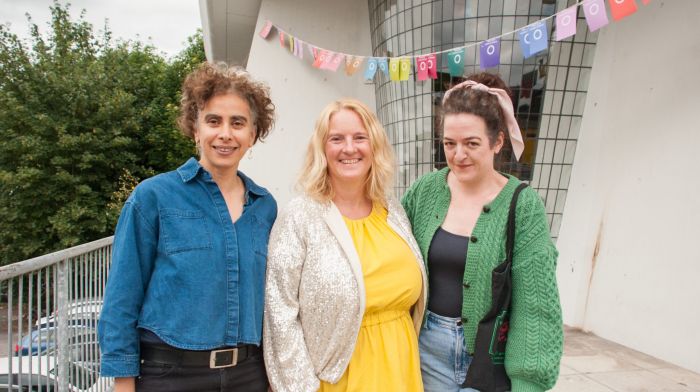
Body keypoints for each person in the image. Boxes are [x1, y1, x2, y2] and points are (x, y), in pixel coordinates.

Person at [97, 62, 277, 392]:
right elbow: (122, 298)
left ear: (253, 134)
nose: (225, 133)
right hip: (171, 376)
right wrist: (123, 382)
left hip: (249, 376)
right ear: (195, 129)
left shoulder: (265, 207)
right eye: (213, 121)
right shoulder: (153, 197)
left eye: (237, 123)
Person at [401, 72, 563, 392]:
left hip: (490, 358)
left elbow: (536, 305)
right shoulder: (424, 192)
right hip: (426, 350)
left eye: (471, 143)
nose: (458, 155)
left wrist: (528, 381)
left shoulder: (523, 205)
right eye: (450, 143)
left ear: (497, 141)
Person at [263, 98, 427, 392]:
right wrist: (299, 387)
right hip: (338, 378)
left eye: (359, 138)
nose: (349, 148)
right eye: (336, 139)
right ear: (322, 149)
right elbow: (280, 312)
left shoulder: (393, 211)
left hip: (400, 368)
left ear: (374, 146)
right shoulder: (300, 216)